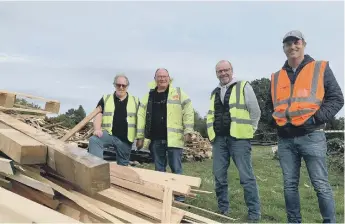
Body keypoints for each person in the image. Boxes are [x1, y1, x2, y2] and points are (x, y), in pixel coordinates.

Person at [266, 30, 344, 223]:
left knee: (320, 184)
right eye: (288, 44)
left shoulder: (320, 68)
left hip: (312, 136)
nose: (292, 47)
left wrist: (315, 119)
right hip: (285, 139)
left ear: (303, 44)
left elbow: (337, 99)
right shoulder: (276, 77)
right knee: (289, 185)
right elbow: (271, 105)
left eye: (296, 42)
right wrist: (277, 123)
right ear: (283, 48)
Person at [206, 60, 261, 221]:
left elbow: (255, 111)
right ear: (216, 73)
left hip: (239, 140)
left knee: (246, 177)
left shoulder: (244, 86)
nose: (223, 73)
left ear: (232, 70)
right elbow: (211, 115)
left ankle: (254, 213)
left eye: (226, 70)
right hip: (219, 141)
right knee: (219, 176)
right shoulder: (214, 92)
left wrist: (251, 130)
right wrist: (212, 135)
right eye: (220, 71)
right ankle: (223, 209)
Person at [136, 68, 194, 201]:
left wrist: (188, 130)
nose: (162, 79)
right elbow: (140, 116)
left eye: (164, 76)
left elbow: (188, 109)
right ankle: (162, 196)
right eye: (159, 76)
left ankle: (179, 197)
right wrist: (140, 136)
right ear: (155, 79)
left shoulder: (178, 93)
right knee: (159, 170)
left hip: (174, 139)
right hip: (156, 139)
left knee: (176, 169)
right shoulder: (149, 95)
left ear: (169, 78)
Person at [88, 74, 139, 166]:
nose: (121, 87)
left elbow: (141, 120)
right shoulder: (106, 99)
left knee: (123, 167)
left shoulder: (135, 101)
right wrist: (97, 129)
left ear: (127, 86)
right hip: (109, 134)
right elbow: (98, 114)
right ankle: (97, 170)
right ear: (114, 85)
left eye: (123, 85)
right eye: (118, 85)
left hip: (126, 139)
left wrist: (140, 138)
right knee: (94, 140)